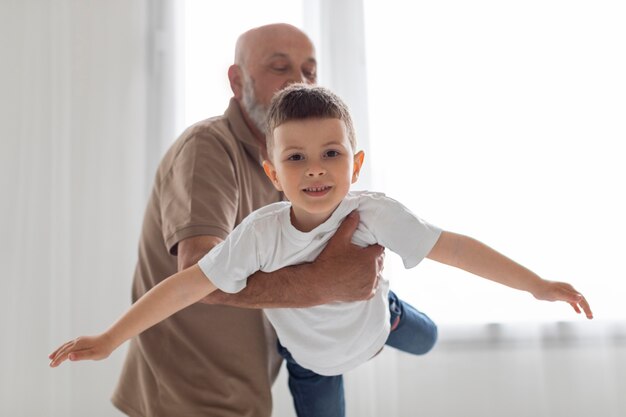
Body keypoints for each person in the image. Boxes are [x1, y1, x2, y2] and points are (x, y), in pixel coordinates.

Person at [49, 84, 594, 417]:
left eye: (331, 153)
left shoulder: (375, 211)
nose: (315, 168)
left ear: (354, 165)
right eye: (296, 159)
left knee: (426, 344)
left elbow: (454, 248)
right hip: (312, 366)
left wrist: (537, 285)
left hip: (379, 326)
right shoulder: (261, 234)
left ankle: (394, 308)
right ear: (273, 174)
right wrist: (110, 338)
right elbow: (186, 284)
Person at [101, 24, 384, 417]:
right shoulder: (208, 149)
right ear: (237, 81)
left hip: (243, 391)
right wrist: (326, 285)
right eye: (279, 67)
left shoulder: (292, 168)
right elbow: (202, 275)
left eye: (309, 71)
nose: (297, 83)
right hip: (186, 395)